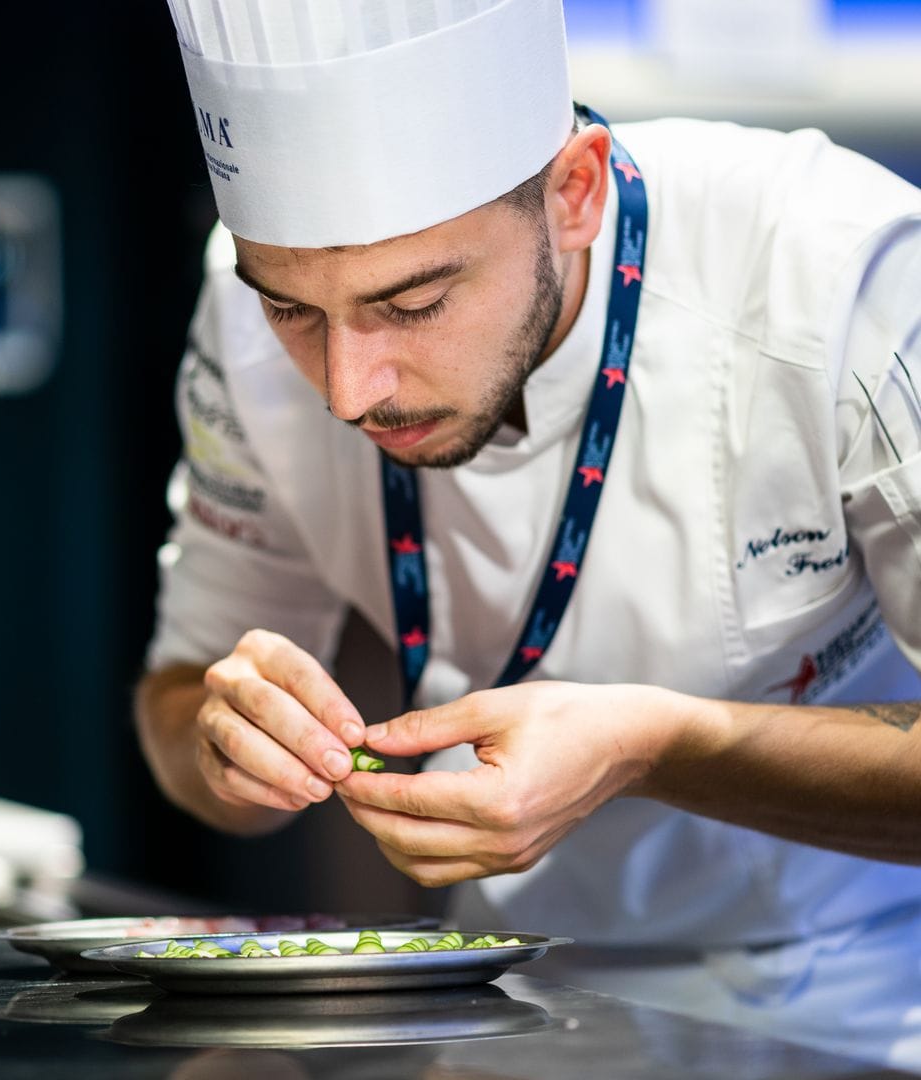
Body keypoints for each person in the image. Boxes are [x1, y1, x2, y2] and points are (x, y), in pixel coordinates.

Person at [136, 0, 921, 1068]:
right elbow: (179, 693)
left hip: (851, 1012)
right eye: (294, 311)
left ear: (574, 193)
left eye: (412, 305)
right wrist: (222, 744)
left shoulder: (838, 285)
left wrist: (656, 745)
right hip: (496, 1014)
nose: (347, 391)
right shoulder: (236, 324)